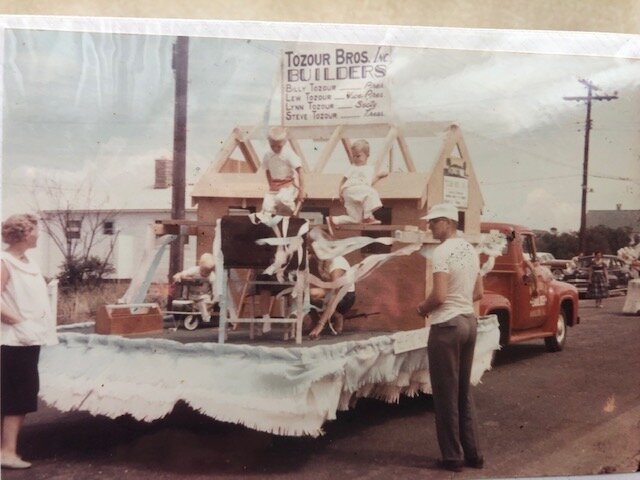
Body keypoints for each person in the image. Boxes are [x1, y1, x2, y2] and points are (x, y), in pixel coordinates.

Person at [416, 203, 484, 473]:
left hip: (446, 326)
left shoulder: (442, 251)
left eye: (433, 222)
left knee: (445, 394)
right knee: (463, 391)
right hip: (468, 321)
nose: (430, 226)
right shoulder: (470, 249)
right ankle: (474, 454)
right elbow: (478, 292)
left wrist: (421, 308)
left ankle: (452, 457)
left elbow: (439, 296)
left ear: (447, 222)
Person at [1, 214, 58, 470]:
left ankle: (7, 450)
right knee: (14, 398)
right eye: (35, 230)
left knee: (21, 397)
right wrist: (18, 321)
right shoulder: (5, 262)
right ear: (24, 233)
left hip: (27, 339)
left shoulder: (27, 262)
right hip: (12, 341)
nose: (38, 234)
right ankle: (7, 452)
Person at [326, 139, 388, 235]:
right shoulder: (353, 167)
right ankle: (368, 217)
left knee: (356, 219)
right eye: (353, 156)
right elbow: (343, 180)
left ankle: (334, 220)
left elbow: (368, 184)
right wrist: (340, 193)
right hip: (351, 189)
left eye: (358, 156)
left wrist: (379, 177)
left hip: (355, 194)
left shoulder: (369, 168)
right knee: (372, 193)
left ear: (367, 156)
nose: (355, 158)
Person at [308, 250, 356, 338]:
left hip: (345, 297)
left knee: (311, 294)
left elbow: (335, 294)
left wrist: (320, 325)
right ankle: (316, 320)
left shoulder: (337, 263)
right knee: (305, 294)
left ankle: (337, 316)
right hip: (329, 293)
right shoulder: (317, 259)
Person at [260, 126, 305, 217]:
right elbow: (267, 170)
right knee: (266, 207)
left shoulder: (288, 153)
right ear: (269, 142)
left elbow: (300, 170)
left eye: (279, 146)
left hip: (289, 185)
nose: (275, 149)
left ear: (284, 142)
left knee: (281, 199)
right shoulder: (267, 155)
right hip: (275, 186)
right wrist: (271, 185)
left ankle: (291, 211)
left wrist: (302, 191)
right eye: (272, 146)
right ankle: (273, 225)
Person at [172, 253, 217, 321]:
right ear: (199, 265)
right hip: (191, 295)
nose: (204, 274)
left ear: (211, 271)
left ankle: (206, 317)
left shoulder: (212, 276)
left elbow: (215, 289)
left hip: (203, 296)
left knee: (206, 302)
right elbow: (183, 273)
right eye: (202, 271)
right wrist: (178, 276)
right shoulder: (194, 270)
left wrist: (214, 301)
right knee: (188, 304)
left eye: (207, 273)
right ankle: (197, 310)